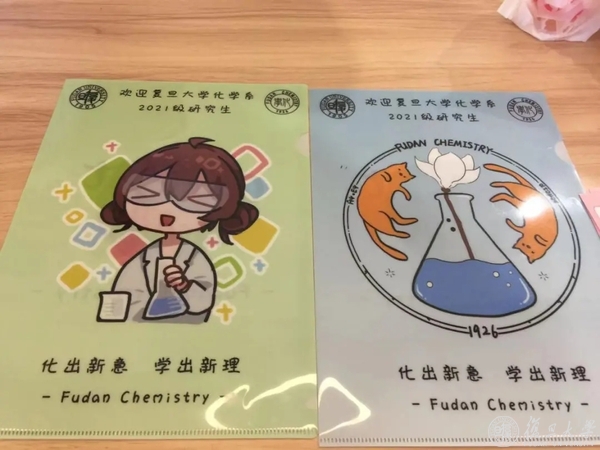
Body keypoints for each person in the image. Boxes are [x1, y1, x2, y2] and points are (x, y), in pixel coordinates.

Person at [97, 137, 258, 324]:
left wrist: (185, 285)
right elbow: (123, 290)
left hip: (186, 324)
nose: (167, 214)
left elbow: (203, 301)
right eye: (147, 194)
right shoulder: (144, 258)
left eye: (197, 201)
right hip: (139, 323)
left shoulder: (194, 257)